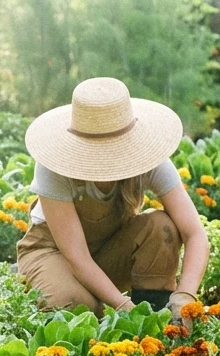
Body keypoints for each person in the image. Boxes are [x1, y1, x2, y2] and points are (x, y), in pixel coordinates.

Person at [17, 77, 207, 319]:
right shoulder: (54, 168)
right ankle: (67, 291)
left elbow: (196, 234)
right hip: (55, 253)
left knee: (163, 228)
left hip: (110, 248)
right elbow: (77, 257)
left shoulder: (150, 159)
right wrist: (123, 307)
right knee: (74, 305)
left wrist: (185, 297)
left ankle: (157, 320)